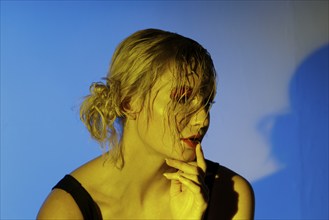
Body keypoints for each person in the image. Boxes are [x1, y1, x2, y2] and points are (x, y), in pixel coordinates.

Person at [37, 28, 254, 220]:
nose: (203, 119)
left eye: (206, 102)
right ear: (129, 103)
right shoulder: (66, 210)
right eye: (182, 99)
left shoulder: (229, 193)